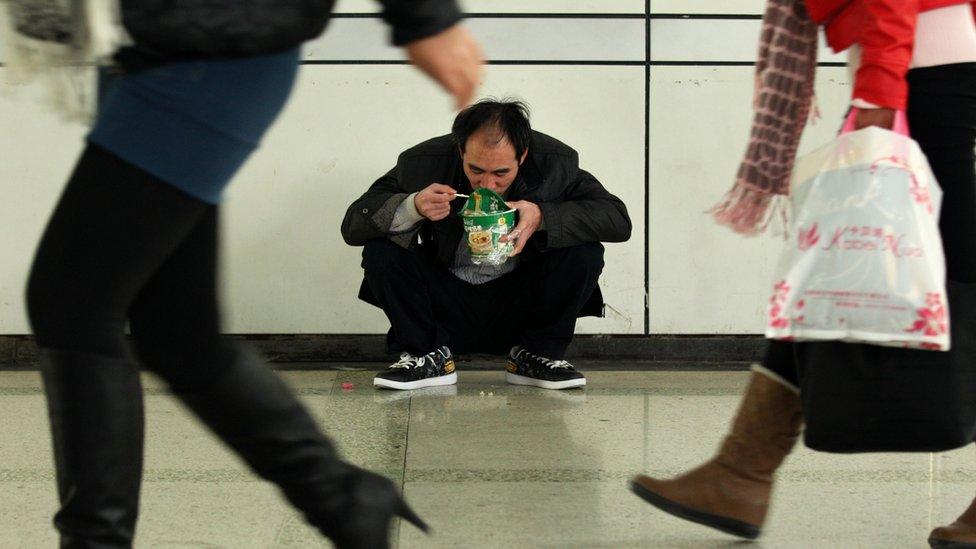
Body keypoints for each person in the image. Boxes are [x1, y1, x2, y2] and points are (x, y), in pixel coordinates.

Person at [9, 1, 483, 547]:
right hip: (156, 47)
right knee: (176, 334)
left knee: (72, 304)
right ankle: (342, 498)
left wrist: (425, 18)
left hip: (212, 44)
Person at [629, 0, 976, 545]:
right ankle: (740, 472)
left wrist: (879, 91)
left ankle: (742, 472)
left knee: (855, 272)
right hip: (925, 72)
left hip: (926, 76)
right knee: (834, 275)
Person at [341, 99, 632, 391]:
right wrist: (411, 206)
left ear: (523, 156)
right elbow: (354, 224)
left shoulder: (556, 164)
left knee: (584, 251)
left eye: (501, 173)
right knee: (383, 250)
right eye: (476, 169)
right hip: (443, 303)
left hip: (520, 303)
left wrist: (542, 216)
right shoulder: (422, 162)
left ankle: (538, 355)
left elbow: (617, 219)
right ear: (460, 151)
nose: (486, 184)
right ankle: (425, 355)